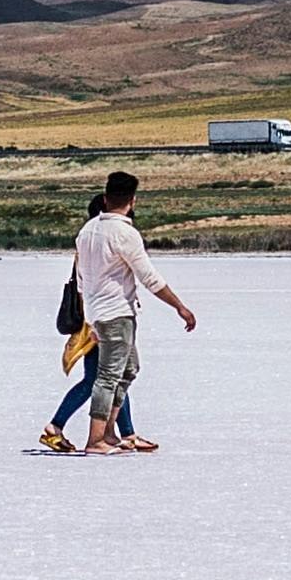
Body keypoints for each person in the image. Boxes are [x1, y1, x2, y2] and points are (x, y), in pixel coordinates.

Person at [70, 168, 196, 454]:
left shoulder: (87, 230)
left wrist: (89, 316)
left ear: (105, 198)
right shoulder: (124, 233)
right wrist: (179, 306)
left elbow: (81, 280)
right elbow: (149, 277)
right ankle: (95, 440)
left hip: (98, 312)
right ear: (132, 201)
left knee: (129, 369)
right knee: (108, 376)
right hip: (116, 313)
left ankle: (111, 432)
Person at [40, 187, 146, 452]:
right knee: (101, 379)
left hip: (97, 318)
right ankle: (56, 426)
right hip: (100, 320)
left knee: (113, 375)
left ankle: (127, 432)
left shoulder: (91, 241)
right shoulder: (96, 244)